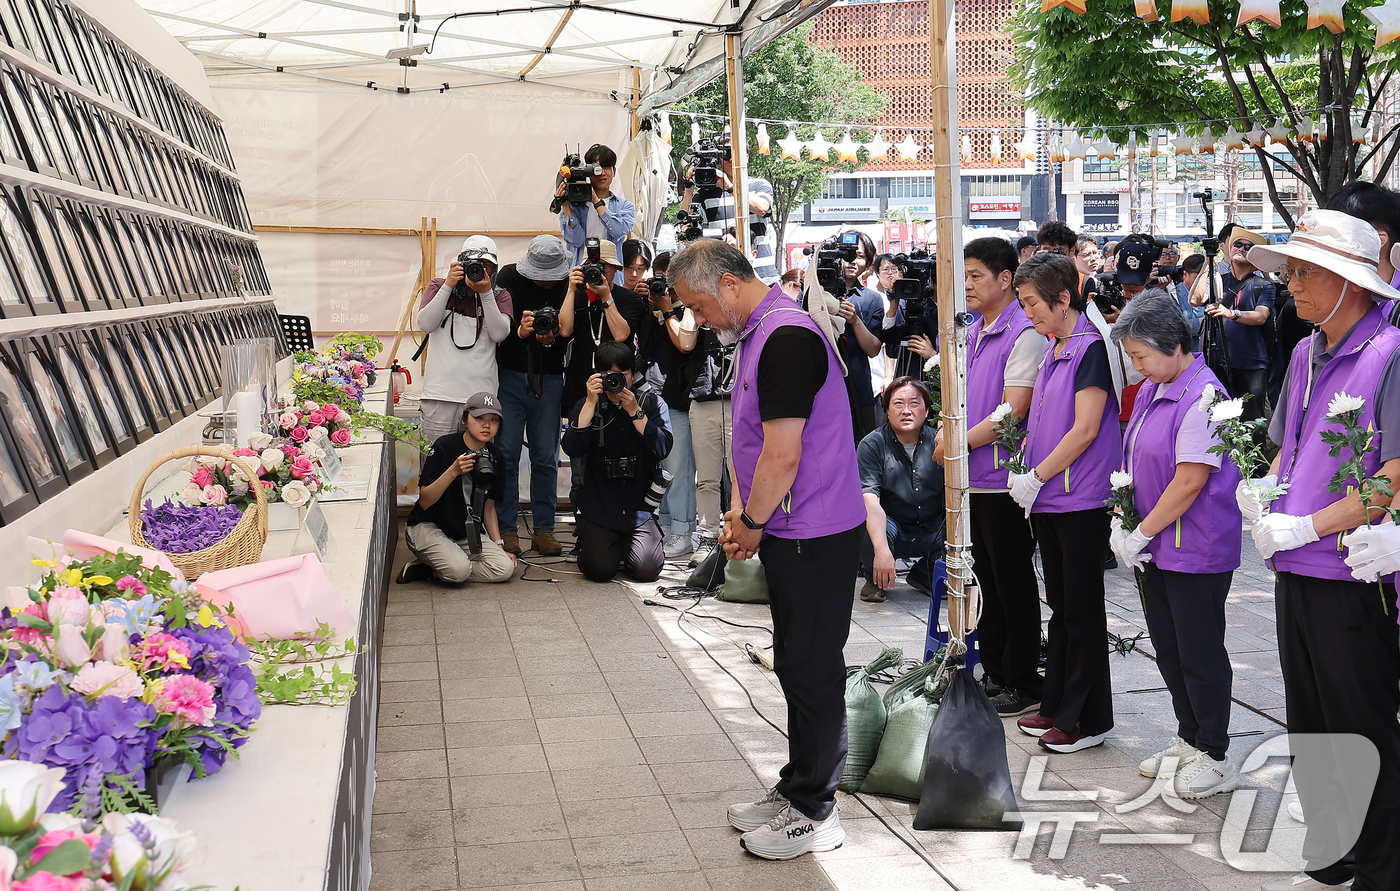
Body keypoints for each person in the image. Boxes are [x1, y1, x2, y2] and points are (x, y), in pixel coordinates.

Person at [668, 239, 865, 861]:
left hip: (815, 528)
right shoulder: (760, 333)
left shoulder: (785, 337)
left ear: (728, 286)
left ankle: (818, 808)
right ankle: (797, 788)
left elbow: (785, 452)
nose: (696, 320)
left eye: (698, 307)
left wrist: (750, 520)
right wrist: (742, 513)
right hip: (791, 526)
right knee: (796, 662)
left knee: (812, 668)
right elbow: (753, 442)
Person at [1238, 210, 1400, 891]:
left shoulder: (1389, 354)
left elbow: (1391, 477)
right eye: (1292, 271)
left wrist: (1312, 526)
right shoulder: (1306, 353)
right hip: (1293, 565)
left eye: (1305, 272)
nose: (1291, 284)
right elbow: (1289, 443)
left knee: (1359, 722)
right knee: (1310, 719)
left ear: (1351, 282)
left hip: (1350, 571)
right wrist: (1269, 489)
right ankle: (1333, 849)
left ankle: (1381, 865)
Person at [1108, 292, 1242, 799]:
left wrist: (1141, 531)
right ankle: (1188, 736)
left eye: (1142, 355)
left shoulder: (1204, 395)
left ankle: (1214, 752)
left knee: (1199, 651)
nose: (1137, 366)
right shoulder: (1153, 388)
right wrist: (1127, 521)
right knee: (1168, 648)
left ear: (1176, 345)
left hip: (1195, 546)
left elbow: (1189, 481)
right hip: (1158, 545)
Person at [1007, 252, 1120, 754]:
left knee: (1083, 611)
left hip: (1080, 497)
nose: (1028, 313)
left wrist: (1037, 474)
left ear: (1062, 298)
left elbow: (1086, 429)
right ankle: (1056, 704)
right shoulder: (1056, 347)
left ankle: (1088, 719)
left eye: (1033, 303)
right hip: (1052, 498)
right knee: (1063, 607)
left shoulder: (1090, 349)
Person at [941, 235, 1043, 717]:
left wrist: (958, 445)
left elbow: (1013, 411)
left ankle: (1022, 678)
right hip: (974, 479)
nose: (968, 285)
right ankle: (997, 672)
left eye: (976, 275)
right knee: (987, 583)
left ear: (1006, 279)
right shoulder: (976, 330)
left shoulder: (1024, 332)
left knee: (1013, 582)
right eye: (964, 276)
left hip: (1005, 481)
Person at [560, 238, 647, 559]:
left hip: (622, 396)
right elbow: (564, 330)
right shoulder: (578, 297)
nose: (598, 273)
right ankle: (586, 529)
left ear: (615, 271)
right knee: (580, 466)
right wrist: (571, 290)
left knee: (618, 460)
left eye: (604, 268)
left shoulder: (627, 299)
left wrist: (607, 296)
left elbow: (622, 334)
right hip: (583, 395)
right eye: (592, 268)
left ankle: (623, 526)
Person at [561, 342, 673, 583]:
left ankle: (627, 547)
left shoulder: (651, 403)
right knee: (599, 570)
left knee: (647, 570)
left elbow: (662, 449)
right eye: (609, 375)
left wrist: (635, 411)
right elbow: (572, 448)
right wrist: (591, 403)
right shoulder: (585, 405)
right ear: (597, 376)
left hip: (639, 507)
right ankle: (597, 542)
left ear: (632, 374)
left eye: (622, 375)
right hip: (600, 505)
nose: (616, 382)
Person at [493, 236, 576, 557]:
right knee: (507, 455)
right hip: (510, 376)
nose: (546, 280)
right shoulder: (509, 277)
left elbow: (571, 330)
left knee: (545, 457)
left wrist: (553, 332)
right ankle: (506, 528)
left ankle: (544, 528)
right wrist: (521, 331)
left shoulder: (569, 284)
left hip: (551, 377)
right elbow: (497, 331)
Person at [399, 392, 517, 586]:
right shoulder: (444, 446)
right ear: (464, 420)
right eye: (479, 418)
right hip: (427, 527)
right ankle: (444, 564)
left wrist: (499, 546)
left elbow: (489, 508)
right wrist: (453, 471)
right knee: (459, 571)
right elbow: (425, 501)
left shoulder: (496, 457)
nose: (486, 425)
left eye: (493, 419)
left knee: (504, 568)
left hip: (465, 532)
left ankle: (432, 568)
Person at [416, 236, 513, 442]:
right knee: (436, 463)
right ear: (460, 263)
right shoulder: (439, 286)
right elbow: (425, 324)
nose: (480, 270)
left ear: (495, 269)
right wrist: (448, 285)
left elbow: (499, 334)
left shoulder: (499, 296)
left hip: (482, 400)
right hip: (440, 395)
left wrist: (486, 293)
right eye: (474, 264)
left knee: (479, 469)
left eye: (487, 265)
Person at [635, 250, 699, 559]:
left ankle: (683, 531)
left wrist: (669, 308)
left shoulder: (689, 310)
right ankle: (665, 526)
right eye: (659, 281)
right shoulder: (653, 309)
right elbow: (644, 346)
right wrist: (649, 309)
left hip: (677, 399)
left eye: (669, 283)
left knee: (678, 469)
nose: (664, 289)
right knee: (658, 467)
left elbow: (685, 347)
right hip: (652, 397)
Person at [857, 377, 945, 602]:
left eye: (914, 403)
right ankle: (874, 579)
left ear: (926, 411)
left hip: (931, 528)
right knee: (868, 520)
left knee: (960, 527)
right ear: (886, 409)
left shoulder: (940, 442)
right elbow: (870, 499)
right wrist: (882, 549)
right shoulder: (872, 445)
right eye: (898, 404)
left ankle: (926, 574)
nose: (906, 411)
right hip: (891, 527)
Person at [1189, 226, 1274, 427]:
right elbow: (1195, 299)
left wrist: (1231, 314)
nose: (1241, 249)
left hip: (1251, 365)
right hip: (1218, 362)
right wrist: (1207, 262)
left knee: (1252, 425)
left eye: (1248, 247)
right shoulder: (1219, 279)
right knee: (1220, 423)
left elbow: (1261, 316)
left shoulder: (1264, 285)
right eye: (1237, 244)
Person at [679, 139, 781, 284]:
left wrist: (730, 188)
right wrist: (688, 189)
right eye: (726, 154)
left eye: (737, 152)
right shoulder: (706, 193)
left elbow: (762, 208)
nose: (732, 158)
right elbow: (685, 223)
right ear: (719, 159)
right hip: (726, 276)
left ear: (746, 156)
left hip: (762, 274)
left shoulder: (758, 185)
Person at [685, 317, 734, 570]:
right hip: (703, 398)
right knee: (706, 478)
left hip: (738, 398)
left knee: (740, 477)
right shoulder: (697, 310)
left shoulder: (736, 308)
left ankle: (738, 533)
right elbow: (685, 342)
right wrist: (691, 313)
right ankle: (707, 536)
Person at [833, 231, 885, 442]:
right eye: (847, 255)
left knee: (862, 449)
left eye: (860, 256)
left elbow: (873, 349)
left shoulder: (872, 299)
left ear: (869, 264)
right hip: (821, 389)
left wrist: (855, 321)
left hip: (858, 388)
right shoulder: (813, 292)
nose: (852, 261)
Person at [557, 143, 636, 269]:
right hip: (580, 272)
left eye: (606, 167)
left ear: (614, 171)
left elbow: (617, 231)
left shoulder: (625, 206)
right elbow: (576, 241)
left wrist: (596, 200)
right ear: (588, 172)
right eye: (597, 168)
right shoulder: (574, 206)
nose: (602, 173)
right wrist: (566, 206)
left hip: (611, 277)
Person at [1177, 253, 1207, 353]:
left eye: (1206, 275)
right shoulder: (1173, 294)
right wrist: (1202, 322)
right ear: (1185, 274)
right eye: (1199, 275)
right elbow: (1175, 327)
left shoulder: (1212, 293)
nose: (1203, 280)